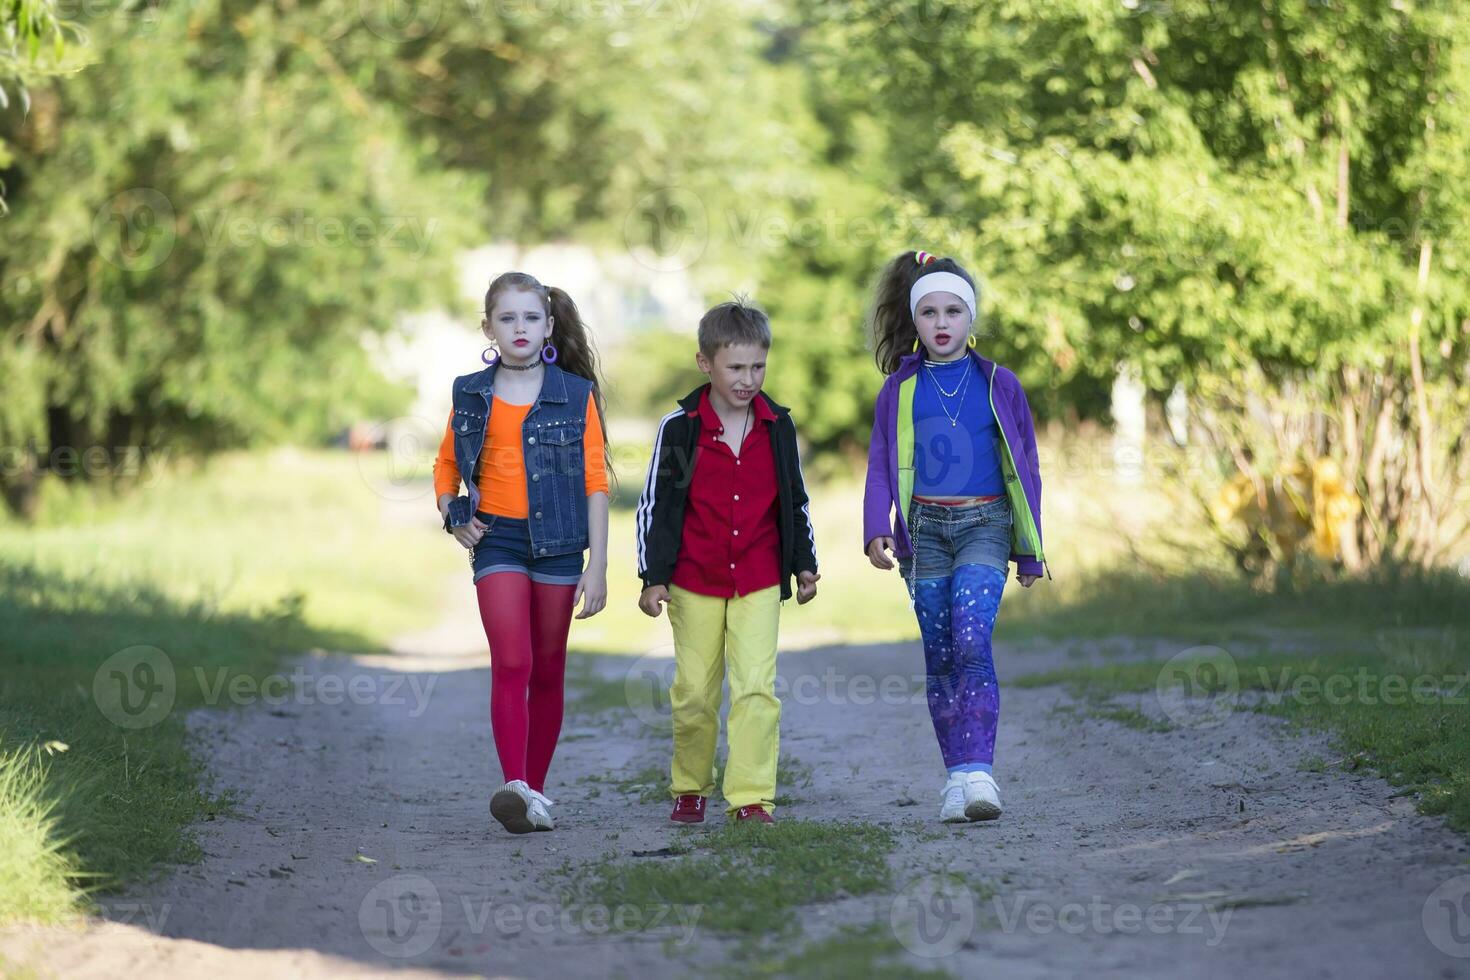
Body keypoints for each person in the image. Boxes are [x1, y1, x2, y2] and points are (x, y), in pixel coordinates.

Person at [862, 250, 1049, 823]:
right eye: (928, 313)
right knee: (940, 656)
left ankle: (981, 774)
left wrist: (1031, 546)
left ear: (971, 319)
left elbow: (1028, 465)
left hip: (985, 525)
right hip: (925, 534)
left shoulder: (1000, 382)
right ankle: (955, 781)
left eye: (952, 311)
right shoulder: (900, 388)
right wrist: (876, 527)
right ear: (913, 321)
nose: (941, 323)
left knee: (971, 640)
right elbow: (878, 463)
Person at [433, 271, 610, 834]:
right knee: (514, 661)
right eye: (507, 318)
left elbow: (595, 482)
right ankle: (514, 786)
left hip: (560, 549)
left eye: (530, 317)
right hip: (498, 542)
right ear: (488, 327)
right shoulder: (470, 391)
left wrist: (599, 567)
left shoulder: (574, 394)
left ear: (549, 326)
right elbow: (446, 465)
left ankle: (534, 794)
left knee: (549, 668)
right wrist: (452, 512)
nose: (519, 327)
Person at [635, 298, 819, 825]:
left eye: (757, 366)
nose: (747, 379)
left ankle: (751, 797)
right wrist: (654, 578)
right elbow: (657, 505)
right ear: (705, 364)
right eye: (735, 367)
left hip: (759, 576)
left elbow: (794, 500)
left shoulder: (777, 426)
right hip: (693, 579)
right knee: (694, 691)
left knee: (756, 688)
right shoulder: (681, 428)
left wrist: (804, 564)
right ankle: (690, 786)